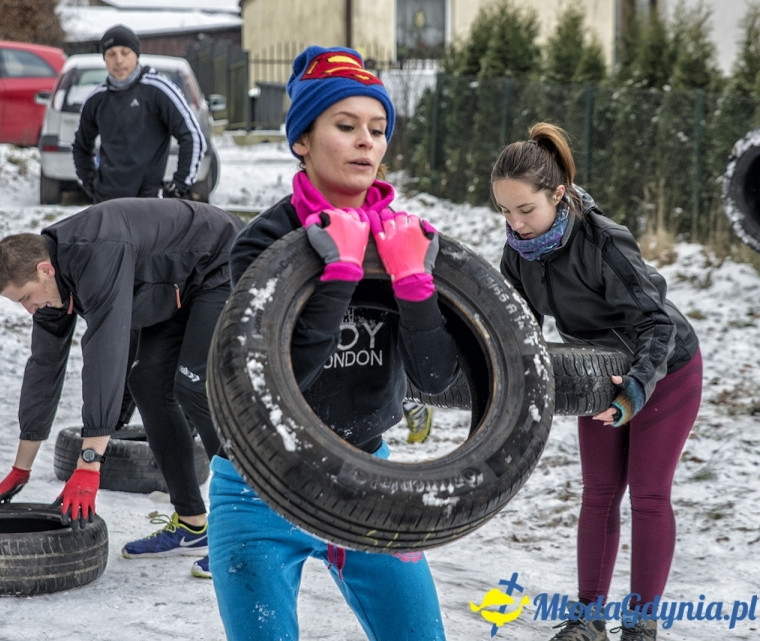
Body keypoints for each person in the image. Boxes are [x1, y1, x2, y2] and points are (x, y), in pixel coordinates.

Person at [207, 45, 460, 640]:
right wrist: (339, 276)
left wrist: (416, 286)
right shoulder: (261, 245)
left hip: (367, 475)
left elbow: (434, 378)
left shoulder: (407, 241)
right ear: (302, 139)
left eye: (377, 130)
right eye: (345, 127)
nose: (365, 142)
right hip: (257, 486)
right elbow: (277, 381)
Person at [491, 122, 702, 641]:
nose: (516, 224)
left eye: (526, 209)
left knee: (649, 496)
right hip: (597, 375)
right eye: (505, 211)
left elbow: (657, 322)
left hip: (664, 369)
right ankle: (588, 621)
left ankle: (641, 625)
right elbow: (515, 332)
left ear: (558, 195)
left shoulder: (603, 242)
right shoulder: (518, 253)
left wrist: (635, 388)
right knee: (599, 494)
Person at [0, 197, 241, 579]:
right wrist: (22, 468)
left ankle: (247, 532)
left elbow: (107, 351)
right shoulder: (54, 285)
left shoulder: (95, 255)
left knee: (191, 383)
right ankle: (192, 525)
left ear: (44, 269)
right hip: (171, 284)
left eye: (25, 298)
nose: (29, 309)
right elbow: (44, 368)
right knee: (148, 383)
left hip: (220, 262)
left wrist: (88, 464)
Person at [72, 23, 208, 202]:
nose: (118, 60)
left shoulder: (158, 89)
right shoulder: (96, 99)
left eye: (125, 52)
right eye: (111, 54)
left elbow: (192, 136)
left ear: (136, 54)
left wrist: (177, 187)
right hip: (107, 203)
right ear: (104, 59)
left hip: (149, 202)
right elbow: (80, 146)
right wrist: (93, 186)